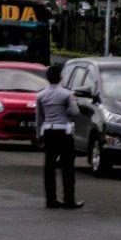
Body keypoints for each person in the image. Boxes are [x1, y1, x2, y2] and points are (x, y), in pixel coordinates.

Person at [35, 64, 83, 209]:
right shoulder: (67, 94)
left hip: (48, 131)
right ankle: (69, 200)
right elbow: (75, 112)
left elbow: (39, 118)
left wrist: (38, 135)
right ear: (61, 77)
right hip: (64, 132)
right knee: (68, 167)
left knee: (49, 167)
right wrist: (68, 107)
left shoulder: (41, 95)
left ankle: (51, 200)